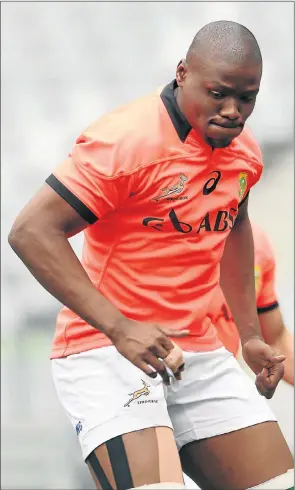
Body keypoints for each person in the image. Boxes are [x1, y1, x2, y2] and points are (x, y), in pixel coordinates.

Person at [8, 20, 294, 490]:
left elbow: (234, 225)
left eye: (247, 98)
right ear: (183, 73)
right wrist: (120, 327)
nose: (232, 111)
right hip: (106, 350)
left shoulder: (245, 154)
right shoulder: (125, 140)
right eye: (218, 93)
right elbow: (30, 231)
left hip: (196, 352)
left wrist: (248, 335)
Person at [210, 222, 294, 386]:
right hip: (161, 376)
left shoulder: (256, 242)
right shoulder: (162, 241)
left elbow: (276, 339)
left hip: (218, 382)